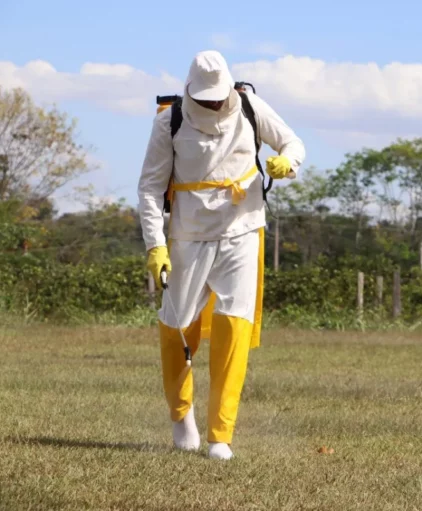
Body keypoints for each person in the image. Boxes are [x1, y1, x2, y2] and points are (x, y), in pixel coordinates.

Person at [137, 50, 305, 460]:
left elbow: (292, 141)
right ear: (191, 91)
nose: (213, 103)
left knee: (235, 326)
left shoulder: (249, 105)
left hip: (242, 229)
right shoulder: (170, 121)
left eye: (218, 96)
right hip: (189, 235)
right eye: (206, 97)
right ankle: (182, 418)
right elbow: (149, 188)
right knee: (176, 327)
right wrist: (156, 245)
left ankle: (221, 436)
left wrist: (288, 161)